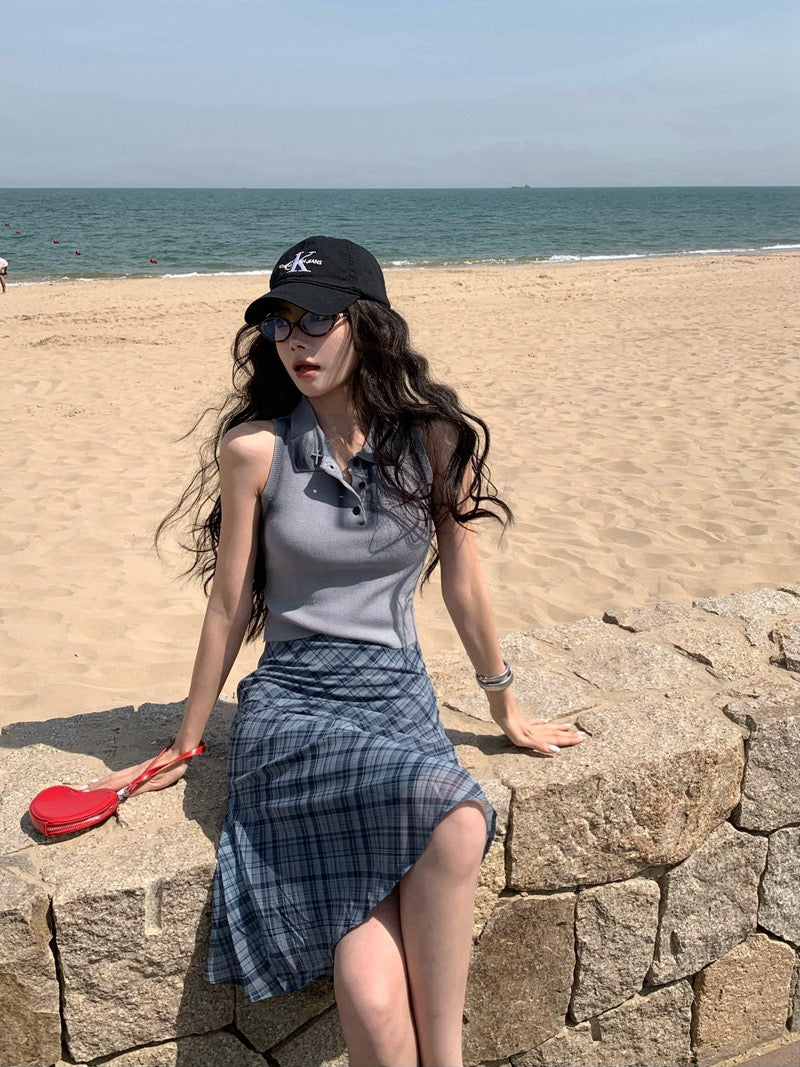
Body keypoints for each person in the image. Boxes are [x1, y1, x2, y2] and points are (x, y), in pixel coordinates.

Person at [92, 236, 586, 1067]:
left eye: (317, 319)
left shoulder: (436, 441)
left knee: (369, 987)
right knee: (457, 812)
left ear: (368, 325)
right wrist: (187, 739)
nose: (296, 340)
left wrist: (505, 704)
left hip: (396, 699)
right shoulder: (255, 450)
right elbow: (229, 604)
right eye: (280, 322)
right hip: (293, 710)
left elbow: (464, 583)